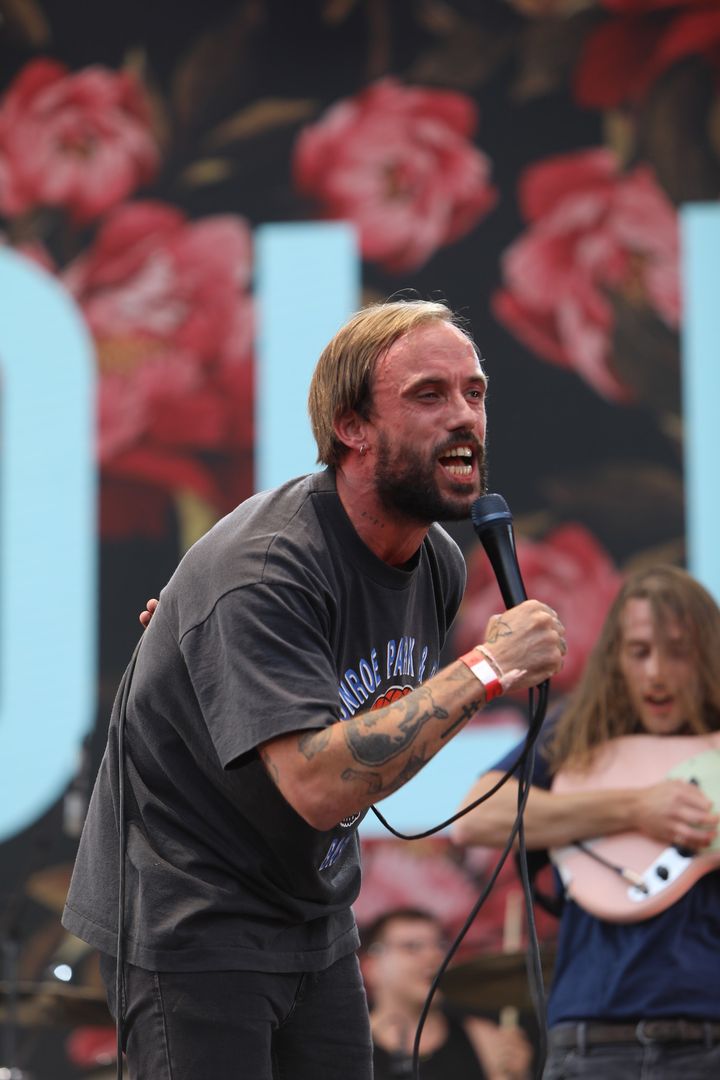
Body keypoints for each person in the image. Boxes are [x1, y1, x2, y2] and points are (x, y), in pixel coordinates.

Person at [62, 298, 566, 1080]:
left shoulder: (436, 562)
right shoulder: (268, 565)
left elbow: (380, 736)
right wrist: (486, 669)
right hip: (190, 913)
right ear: (351, 427)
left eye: (475, 392)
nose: (465, 416)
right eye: (429, 395)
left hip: (311, 911)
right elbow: (317, 783)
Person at [452, 565, 720, 1079]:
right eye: (640, 652)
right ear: (616, 657)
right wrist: (638, 808)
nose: (656, 674)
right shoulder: (577, 732)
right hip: (595, 1041)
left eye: (679, 652)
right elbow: (479, 815)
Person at [362, 906, 532, 1079]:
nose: (434, 955)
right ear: (371, 967)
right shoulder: (347, 1043)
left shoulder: (484, 1039)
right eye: (412, 947)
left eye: (440, 945)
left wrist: (519, 1076)